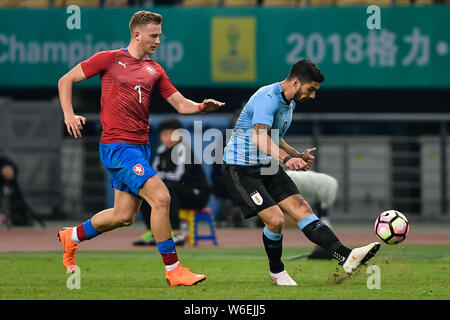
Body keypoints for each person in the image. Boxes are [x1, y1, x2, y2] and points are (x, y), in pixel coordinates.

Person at [57, 10, 224, 286]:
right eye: (154, 35)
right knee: (162, 198)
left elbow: (181, 104)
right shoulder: (109, 59)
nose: (158, 40)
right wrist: (68, 114)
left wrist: (199, 107)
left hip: (140, 148)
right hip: (118, 147)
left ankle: (72, 236)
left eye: (160, 35)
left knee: (123, 216)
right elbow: (66, 80)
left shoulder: (155, 70)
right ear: (137, 34)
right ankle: (174, 271)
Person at [221, 59, 379, 286]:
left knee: (302, 208)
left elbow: (274, 136)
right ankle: (277, 271)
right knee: (276, 220)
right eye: (311, 89)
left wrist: (296, 154)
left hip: (266, 165)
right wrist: (287, 159)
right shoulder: (267, 98)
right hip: (239, 169)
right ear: (296, 81)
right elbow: (259, 137)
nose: (313, 96)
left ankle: (346, 256)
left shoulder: (289, 104)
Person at [133, 118, 211, 246]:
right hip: (177, 191)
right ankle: (153, 232)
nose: (167, 137)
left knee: (168, 189)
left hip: (197, 194)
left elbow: (177, 176)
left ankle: (177, 233)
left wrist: (158, 179)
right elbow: (154, 173)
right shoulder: (161, 151)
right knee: (145, 191)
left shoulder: (182, 149)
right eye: (164, 134)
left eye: (171, 133)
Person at [285, 170, 338, 260]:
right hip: (323, 184)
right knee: (323, 216)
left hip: (322, 185)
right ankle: (325, 247)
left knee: (322, 216)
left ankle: (325, 247)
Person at [0, 153, 45, 228]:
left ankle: (27, 219)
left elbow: (12, 171)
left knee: (20, 205)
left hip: (13, 190)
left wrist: (9, 172)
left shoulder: (6, 162)